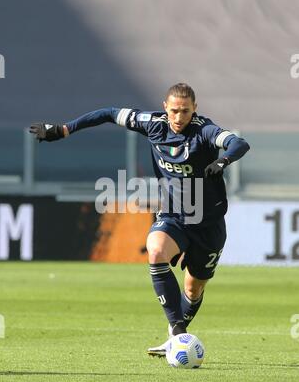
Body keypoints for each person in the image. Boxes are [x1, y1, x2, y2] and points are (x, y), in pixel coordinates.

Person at [30, 83, 250, 356]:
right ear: (164, 108)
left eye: (185, 111)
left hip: (208, 223)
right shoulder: (153, 124)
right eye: (174, 111)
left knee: (193, 289)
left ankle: (174, 335)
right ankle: (179, 333)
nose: (179, 117)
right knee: (156, 250)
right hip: (174, 215)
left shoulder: (205, 131)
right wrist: (64, 129)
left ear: (195, 109)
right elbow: (109, 113)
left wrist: (224, 160)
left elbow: (238, 143)